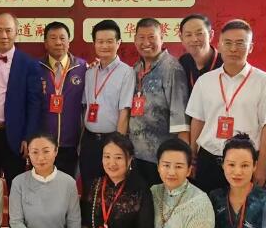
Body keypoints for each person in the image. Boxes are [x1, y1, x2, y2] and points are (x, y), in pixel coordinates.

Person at [185, 19, 266, 194]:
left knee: (242, 209)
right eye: (228, 43)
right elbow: (198, 119)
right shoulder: (205, 81)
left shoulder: (264, 81)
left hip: (244, 163)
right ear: (219, 46)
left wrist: (261, 166)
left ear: (250, 47)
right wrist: (192, 156)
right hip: (209, 158)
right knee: (208, 208)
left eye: (240, 43)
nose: (233, 49)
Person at [0, 12, 42, 188]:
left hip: (14, 136)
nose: (4, 35)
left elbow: (34, 104)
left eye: (8, 30)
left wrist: (28, 137)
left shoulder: (29, 63)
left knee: (16, 187)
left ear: (16, 32)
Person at [129, 17, 190, 186]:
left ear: (161, 38)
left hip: (161, 158)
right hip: (136, 154)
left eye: (151, 37)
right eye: (141, 38)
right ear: (135, 40)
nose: (146, 43)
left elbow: (181, 119)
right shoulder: (136, 68)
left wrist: (183, 158)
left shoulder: (172, 68)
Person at [79, 20, 135, 192]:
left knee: (111, 189)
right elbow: (85, 108)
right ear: (94, 44)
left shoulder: (127, 72)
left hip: (111, 140)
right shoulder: (90, 72)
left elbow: (124, 112)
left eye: (110, 41)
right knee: (88, 188)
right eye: (100, 41)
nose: (104, 46)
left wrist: (118, 145)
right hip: (89, 140)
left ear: (118, 43)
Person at [38, 21, 86, 177]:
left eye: (62, 38)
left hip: (72, 144)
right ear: (45, 43)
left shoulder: (83, 68)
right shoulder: (35, 68)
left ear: (69, 42)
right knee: (43, 186)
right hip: (43, 144)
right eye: (53, 38)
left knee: (68, 186)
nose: (58, 42)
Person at [178, 14, 222, 93]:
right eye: (188, 35)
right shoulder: (183, 62)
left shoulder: (225, 63)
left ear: (211, 35)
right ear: (181, 38)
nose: (194, 39)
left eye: (199, 33)